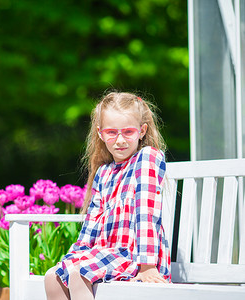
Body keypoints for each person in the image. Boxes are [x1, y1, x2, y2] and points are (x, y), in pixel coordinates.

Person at [44, 92, 171, 300]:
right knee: (53, 276)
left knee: (78, 274)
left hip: (134, 257)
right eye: (112, 132)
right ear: (101, 134)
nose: (120, 140)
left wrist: (147, 265)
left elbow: (146, 212)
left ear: (142, 131)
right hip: (105, 255)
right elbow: (92, 221)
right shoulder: (104, 173)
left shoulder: (147, 158)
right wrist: (77, 254)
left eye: (128, 131)